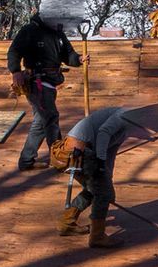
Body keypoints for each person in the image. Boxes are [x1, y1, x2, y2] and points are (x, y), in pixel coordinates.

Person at [6, 0, 84, 169]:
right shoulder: (30, 31)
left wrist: (79, 59)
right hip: (36, 82)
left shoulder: (58, 33)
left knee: (41, 121)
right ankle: (59, 159)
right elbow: (14, 51)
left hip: (51, 82)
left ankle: (27, 160)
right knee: (50, 117)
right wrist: (15, 71)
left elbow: (68, 55)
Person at [58, 106, 137, 248]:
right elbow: (103, 132)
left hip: (83, 152)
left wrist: (107, 179)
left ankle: (67, 222)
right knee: (102, 193)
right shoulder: (123, 115)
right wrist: (105, 188)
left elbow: (110, 154)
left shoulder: (125, 129)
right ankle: (97, 237)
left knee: (95, 189)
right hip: (76, 152)